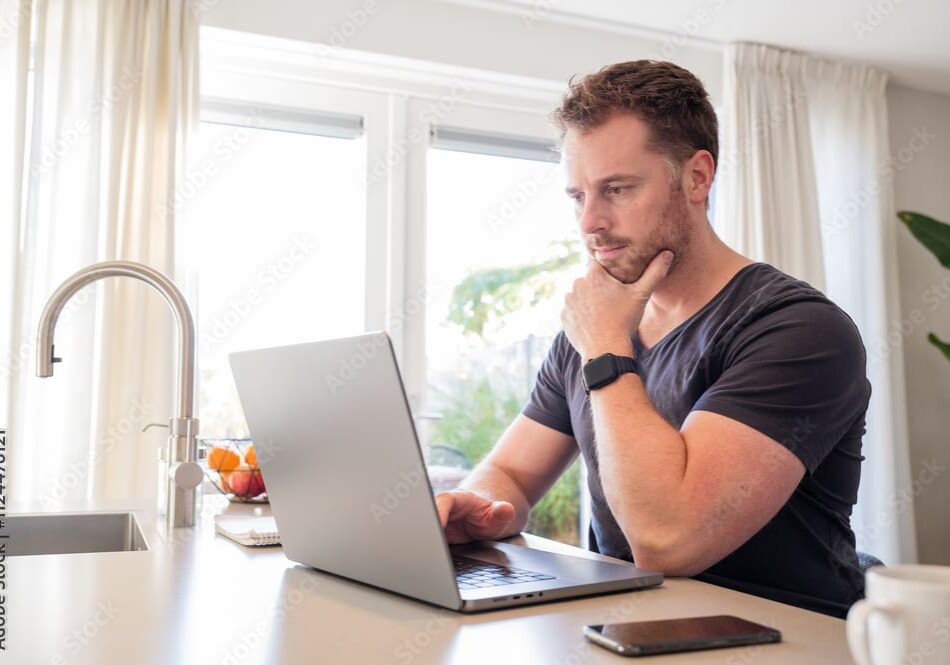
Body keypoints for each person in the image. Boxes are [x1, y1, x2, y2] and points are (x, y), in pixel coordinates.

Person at [434, 60, 871, 618]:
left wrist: (606, 347)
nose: (589, 221)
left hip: (779, 640)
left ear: (696, 178)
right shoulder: (596, 327)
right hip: (631, 630)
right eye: (577, 196)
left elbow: (668, 540)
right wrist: (480, 506)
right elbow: (513, 474)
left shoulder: (798, 330)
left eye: (616, 189)